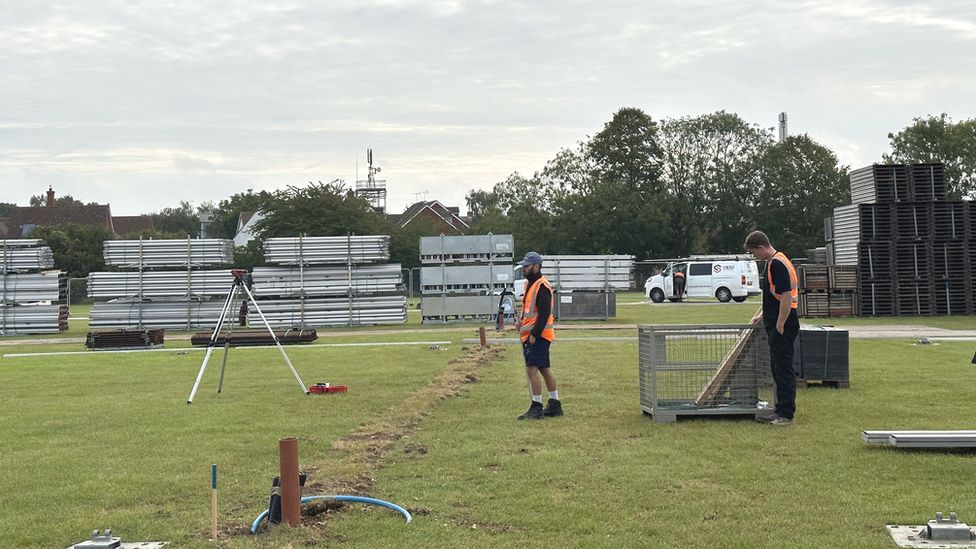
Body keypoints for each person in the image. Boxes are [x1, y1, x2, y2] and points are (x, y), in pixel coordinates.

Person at [745, 230, 799, 427]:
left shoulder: (777, 263)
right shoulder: (775, 262)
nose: (755, 256)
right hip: (777, 320)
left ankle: (786, 414)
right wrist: (763, 314)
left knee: (783, 368)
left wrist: (780, 323)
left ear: (761, 247)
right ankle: (779, 410)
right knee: (776, 367)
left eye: (754, 252)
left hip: (783, 323)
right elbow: (774, 296)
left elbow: (786, 296)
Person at [513, 251, 562, 420]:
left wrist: (534, 334)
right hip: (533, 334)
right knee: (543, 368)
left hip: (539, 335)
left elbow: (544, 314)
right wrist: (521, 323)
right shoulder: (529, 284)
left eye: (526, 266)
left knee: (531, 369)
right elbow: (529, 310)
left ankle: (536, 406)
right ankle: (555, 404)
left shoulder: (542, 286)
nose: (524, 269)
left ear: (536, 266)